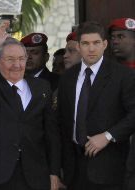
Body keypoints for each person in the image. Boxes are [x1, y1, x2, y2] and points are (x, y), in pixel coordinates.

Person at [0, 21, 63, 190]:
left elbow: (51, 134)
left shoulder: (41, 87)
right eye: (10, 59)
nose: (17, 65)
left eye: (21, 59)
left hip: (35, 174)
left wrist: (54, 172)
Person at [57, 21, 135, 190]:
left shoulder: (123, 76)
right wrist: (58, 168)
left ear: (105, 44)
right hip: (73, 170)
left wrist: (108, 136)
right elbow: (61, 123)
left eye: (96, 43)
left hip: (108, 169)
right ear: (78, 46)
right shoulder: (67, 78)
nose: (91, 49)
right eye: (85, 43)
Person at [108, 17, 135, 190]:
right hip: (116, 146)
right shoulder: (109, 72)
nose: (115, 41)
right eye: (112, 38)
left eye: (120, 36)